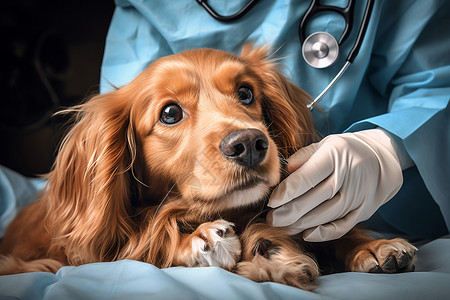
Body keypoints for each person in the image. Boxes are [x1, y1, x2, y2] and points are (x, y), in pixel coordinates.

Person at [100, 0, 450, 242]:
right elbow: (116, 195)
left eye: (245, 95)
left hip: (399, 214)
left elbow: (441, 77)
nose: (244, 137)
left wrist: (384, 149)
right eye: (171, 114)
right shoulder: (143, 13)